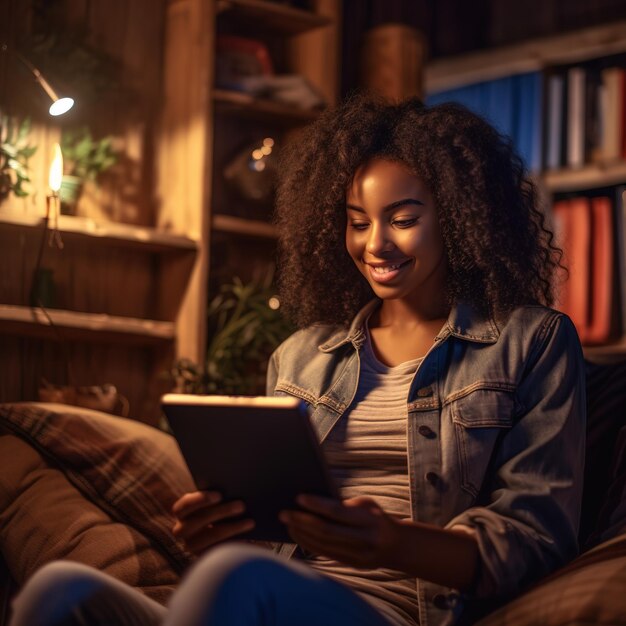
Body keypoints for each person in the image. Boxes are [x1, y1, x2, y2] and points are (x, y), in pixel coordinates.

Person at [9, 93, 586, 626]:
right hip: (267, 594)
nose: (375, 244)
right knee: (58, 590)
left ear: (461, 220)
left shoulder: (531, 342)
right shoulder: (303, 357)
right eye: (357, 222)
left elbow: (535, 538)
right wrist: (223, 529)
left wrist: (391, 543)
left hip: (404, 611)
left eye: (403, 220)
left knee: (238, 578)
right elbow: (267, 540)